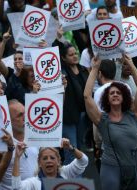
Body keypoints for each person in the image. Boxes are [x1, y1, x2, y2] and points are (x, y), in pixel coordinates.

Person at [84, 54, 137, 190]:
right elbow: (87, 96)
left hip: (131, 167)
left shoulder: (133, 115)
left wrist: (131, 65)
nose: (115, 94)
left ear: (124, 97)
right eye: (112, 93)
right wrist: (94, 69)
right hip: (110, 167)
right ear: (107, 99)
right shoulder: (102, 119)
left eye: (118, 92)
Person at [53, 33, 89, 164]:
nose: (75, 56)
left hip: (83, 116)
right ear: (63, 57)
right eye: (71, 54)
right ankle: (72, 183)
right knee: (71, 151)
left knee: (80, 149)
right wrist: (59, 38)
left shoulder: (84, 70)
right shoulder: (61, 73)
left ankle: (78, 177)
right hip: (67, 117)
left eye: (75, 53)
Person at [12, 139, 88, 189]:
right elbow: (16, 187)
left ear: (58, 161)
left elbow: (83, 161)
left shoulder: (65, 173)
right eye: (45, 158)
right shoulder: (33, 182)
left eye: (52, 158)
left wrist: (70, 147)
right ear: (39, 163)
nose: (49, 161)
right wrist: (17, 158)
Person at [0, 100, 39, 190]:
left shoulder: (35, 135)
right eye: (20, 115)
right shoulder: (0, 143)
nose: (25, 117)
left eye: (25, 113)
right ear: (8, 120)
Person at [0, 29, 41, 104]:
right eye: (15, 59)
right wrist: (4, 41)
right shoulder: (10, 73)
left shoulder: (33, 74)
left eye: (20, 59)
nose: (17, 61)